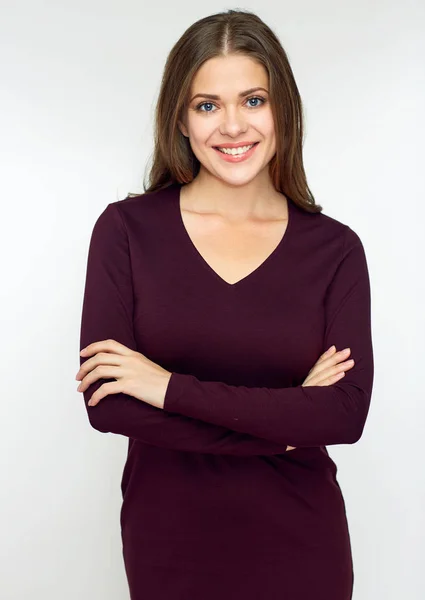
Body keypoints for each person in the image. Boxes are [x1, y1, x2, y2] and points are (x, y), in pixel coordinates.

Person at [76, 8, 374, 600]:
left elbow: (342, 416)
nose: (233, 126)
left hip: (302, 545)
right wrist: (281, 426)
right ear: (181, 121)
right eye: (207, 105)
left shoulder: (334, 249)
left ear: (283, 109)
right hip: (170, 548)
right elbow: (108, 405)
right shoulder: (127, 231)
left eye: (254, 100)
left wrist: (165, 387)